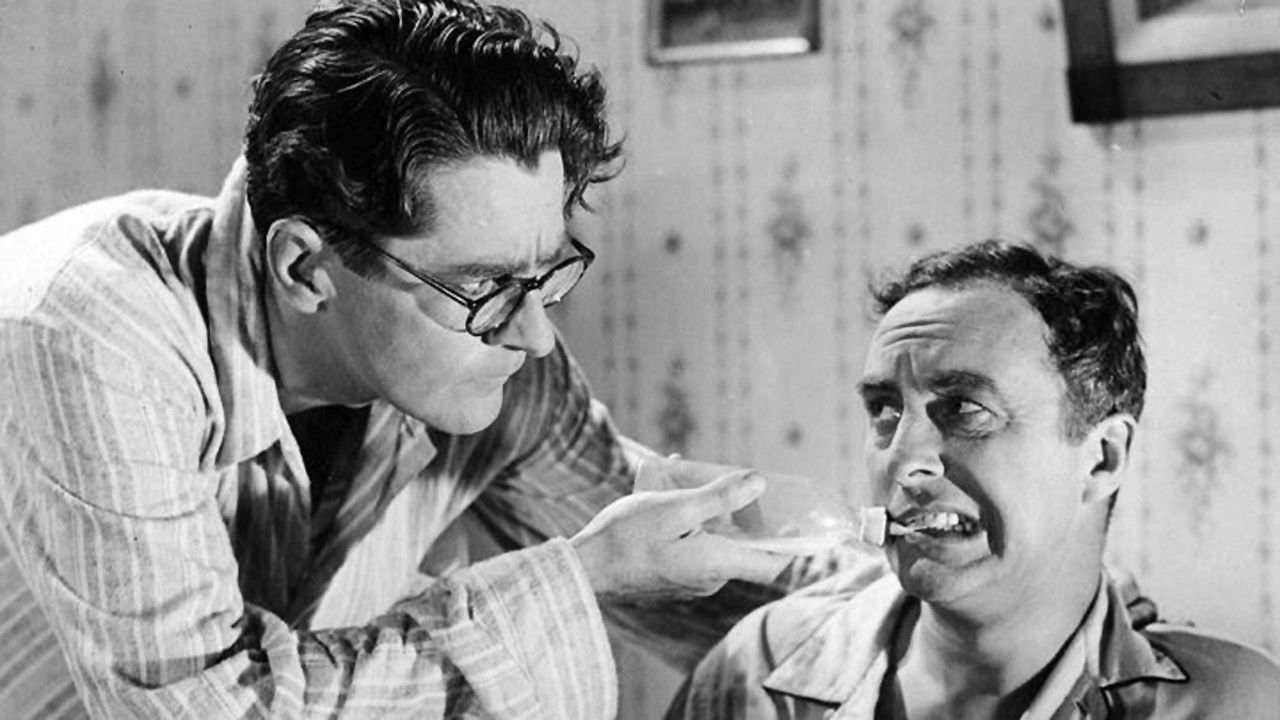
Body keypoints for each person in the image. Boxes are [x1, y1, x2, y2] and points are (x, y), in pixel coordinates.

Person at [0, 1, 795, 717]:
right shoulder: (87, 333)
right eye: (480, 284)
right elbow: (209, 709)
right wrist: (579, 576)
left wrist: (857, 591)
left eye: (546, 274)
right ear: (305, 268)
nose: (534, 337)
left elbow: (695, 584)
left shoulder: (503, 358)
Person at [671, 240, 1280, 719]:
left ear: (1101, 459)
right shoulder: (759, 670)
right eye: (884, 409)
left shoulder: (1235, 704)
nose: (902, 459)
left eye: (964, 409)